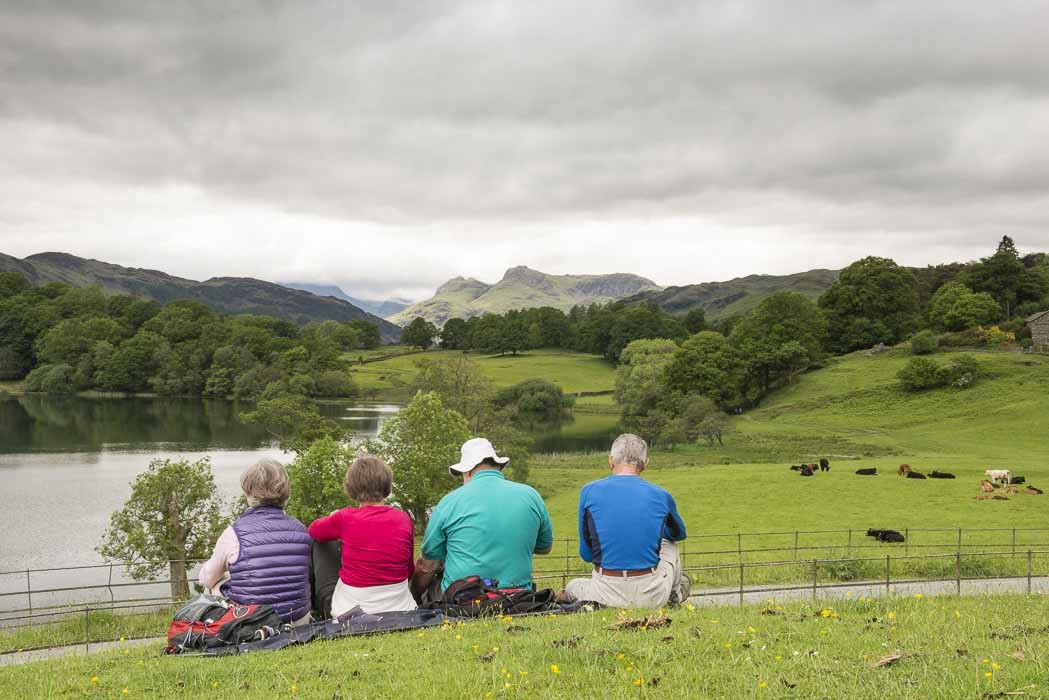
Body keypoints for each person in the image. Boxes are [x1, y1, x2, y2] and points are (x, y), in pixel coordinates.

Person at [411, 438, 554, 600]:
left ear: (468, 471)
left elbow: (427, 564)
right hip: (518, 596)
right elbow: (545, 547)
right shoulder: (531, 495)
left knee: (427, 588)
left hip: (463, 598)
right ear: (498, 467)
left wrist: (413, 593)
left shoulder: (449, 502)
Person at [561, 434, 690, 608]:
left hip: (603, 593)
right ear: (646, 463)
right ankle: (673, 596)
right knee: (669, 544)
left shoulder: (589, 491)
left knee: (572, 586)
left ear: (611, 461)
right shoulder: (661, 495)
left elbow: (587, 555)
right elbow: (678, 534)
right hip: (651, 595)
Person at [198, 459, 312, 624]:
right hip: (298, 619)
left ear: (249, 491)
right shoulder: (301, 530)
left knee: (214, 581)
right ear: (286, 492)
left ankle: (212, 625)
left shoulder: (234, 533)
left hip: (251, 622)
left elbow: (207, 579)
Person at [307, 455, 416, 616]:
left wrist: (332, 517)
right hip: (400, 607)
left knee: (321, 542)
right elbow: (409, 571)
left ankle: (310, 606)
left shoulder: (344, 518)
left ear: (351, 487)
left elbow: (313, 530)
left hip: (350, 610)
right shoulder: (403, 519)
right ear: (387, 486)